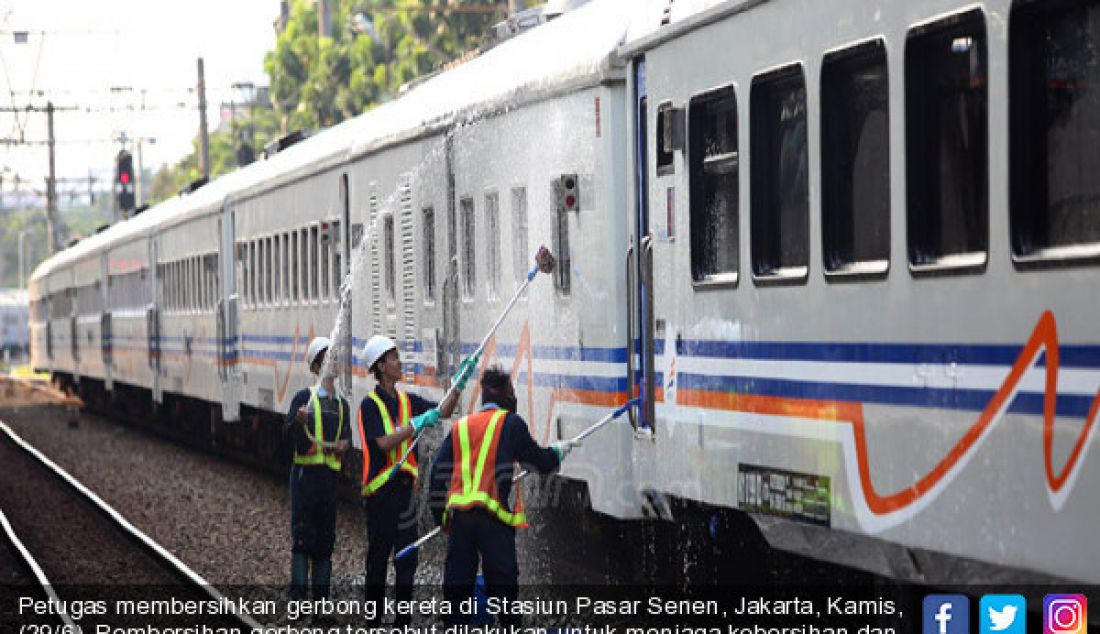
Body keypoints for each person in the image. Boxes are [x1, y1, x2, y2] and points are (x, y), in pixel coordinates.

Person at [428, 366, 580, 626]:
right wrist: (558, 452)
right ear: (498, 393)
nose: (514, 397)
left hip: (461, 523)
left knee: (456, 591)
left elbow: (436, 479)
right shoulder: (511, 424)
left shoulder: (460, 427)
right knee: (505, 591)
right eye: (511, 392)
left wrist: (442, 518)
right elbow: (541, 462)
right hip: (493, 522)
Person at [357, 335, 475, 626]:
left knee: (407, 558)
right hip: (380, 495)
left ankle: (402, 622)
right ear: (382, 366)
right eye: (394, 357)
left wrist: (458, 386)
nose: (400, 362)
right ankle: (373, 621)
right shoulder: (369, 405)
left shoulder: (407, 400)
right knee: (378, 558)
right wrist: (414, 425)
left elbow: (444, 411)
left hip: (406, 493)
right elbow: (382, 444)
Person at [282, 336, 351, 602]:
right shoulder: (304, 399)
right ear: (315, 367)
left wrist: (345, 445)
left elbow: (347, 436)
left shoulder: (342, 405)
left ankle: (321, 601)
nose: (334, 362)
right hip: (304, 480)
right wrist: (298, 423)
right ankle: (298, 598)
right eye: (327, 358)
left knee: (325, 540)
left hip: (327, 483)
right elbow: (286, 438)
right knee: (302, 538)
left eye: (334, 357)